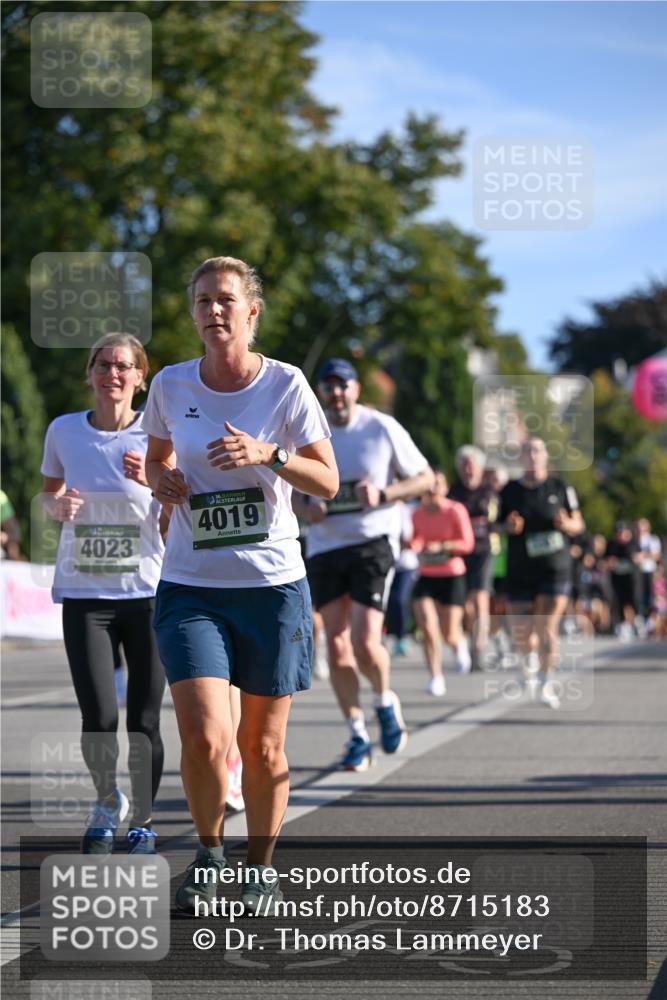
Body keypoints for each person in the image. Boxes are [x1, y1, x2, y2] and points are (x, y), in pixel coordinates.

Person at [143, 255, 337, 915]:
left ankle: (260, 866)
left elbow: (327, 481)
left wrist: (269, 454)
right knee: (205, 738)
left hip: (271, 587)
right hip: (191, 584)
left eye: (225, 299)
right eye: (202, 301)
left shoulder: (285, 385)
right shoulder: (170, 384)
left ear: (251, 312)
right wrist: (163, 482)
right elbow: (157, 458)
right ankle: (207, 855)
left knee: (262, 745)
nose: (213, 311)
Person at [40, 332, 166, 854]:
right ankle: (106, 802)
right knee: (98, 717)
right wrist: (56, 507)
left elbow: (181, 503)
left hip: (148, 592)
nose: (112, 374)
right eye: (103, 364)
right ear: (90, 373)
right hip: (85, 592)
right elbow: (47, 494)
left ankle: (143, 820)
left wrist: (154, 480)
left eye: (123, 366)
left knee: (144, 719)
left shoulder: (157, 432)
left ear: (140, 378)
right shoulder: (64, 430)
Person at [296, 358, 432, 772]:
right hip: (325, 547)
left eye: (343, 385)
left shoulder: (381, 427)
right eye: (328, 386)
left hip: (373, 542)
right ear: (321, 392)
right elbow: (288, 490)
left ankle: (384, 701)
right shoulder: (307, 431)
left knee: (364, 641)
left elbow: (425, 478)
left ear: (356, 389)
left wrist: (385, 494)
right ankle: (356, 733)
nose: (336, 393)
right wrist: (305, 508)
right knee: (336, 647)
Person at [498, 436, 584, 709]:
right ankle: (529, 660)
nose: (532, 456)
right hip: (520, 569)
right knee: (522, 630)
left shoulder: (560, 487)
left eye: (537, 451)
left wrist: (567, 524)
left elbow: (579, 523)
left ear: (546, 456)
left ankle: (547, 681)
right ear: (521, 458)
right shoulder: (509, 490)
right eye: (527, 451)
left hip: (554, 568)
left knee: (546, 626)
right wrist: (507, 527)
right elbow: (495, 525)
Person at [411, 471, 475, 695]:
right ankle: (435, 676)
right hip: (426, 574)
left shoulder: (455, 510)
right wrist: (414, 545)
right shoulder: (417, 513)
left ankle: (459, 643)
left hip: (452, 574)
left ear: (446, 488)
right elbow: (415, 538)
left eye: (438, 484)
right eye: (430, 484)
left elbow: (467, 544)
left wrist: (443, 546)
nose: (433, 488)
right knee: (428, 627)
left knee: (449, 633)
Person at [448, 446, 498, 668]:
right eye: (464, 465)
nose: (468, 469)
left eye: (471, 465)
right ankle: (469, 639)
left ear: (479, 468)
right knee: (465, 603)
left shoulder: (490, 492)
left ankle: (478, 649)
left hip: (484, 550)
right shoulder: (454, 492)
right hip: (460, 551)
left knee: (480, 599)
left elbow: (498, 521)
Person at [385, 501, 419, 656]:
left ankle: (401, 637)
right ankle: (387, 635)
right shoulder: (380, 508)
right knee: (385, 602)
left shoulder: (409, 509)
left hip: (406, 565)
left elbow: (412, 537)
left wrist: (409, 543)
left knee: (399, 599)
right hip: (386, 563)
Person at [606, 521, 640, 639]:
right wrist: (610, 562)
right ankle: (622, 624)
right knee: (619, 601)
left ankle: (637, 622)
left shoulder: (633, 543)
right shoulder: (612, 545)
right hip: (617, 579)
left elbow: (639, 557)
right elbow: (605, 560)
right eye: (618, 533)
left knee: (633, 599)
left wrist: (637, 558)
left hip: (632, 579)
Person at [634, 518, 662, 624]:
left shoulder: (652, 539)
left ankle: (651, 619)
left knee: (650, 596)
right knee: (639, 596)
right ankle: (640, 618)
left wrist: (643, 555)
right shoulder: (634, 540)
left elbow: (656, 554)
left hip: (649, 571)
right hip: (637, 572)